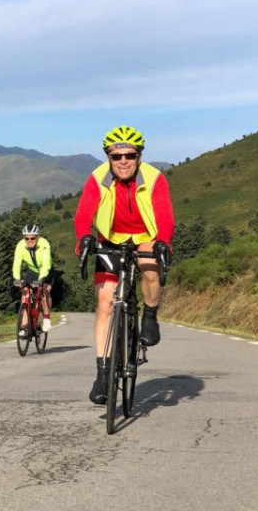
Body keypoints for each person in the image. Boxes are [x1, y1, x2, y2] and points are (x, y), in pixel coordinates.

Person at [74, 126, 174, 405]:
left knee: (150, 265)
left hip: (145, 237)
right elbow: (83, 213)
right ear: (108, 157)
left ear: (139, 156)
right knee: (105, 301)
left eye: (130, 155)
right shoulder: (98, 178)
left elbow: (165, 215)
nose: (123, 161)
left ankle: (150, 315)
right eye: (116, 156)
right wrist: (84, 237)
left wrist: (163, 241)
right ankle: (103, 374)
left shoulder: (154, 178)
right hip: (110, 239)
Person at [12, 224, 54, 335]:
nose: (29, 240)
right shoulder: (20, 246)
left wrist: (40, 280)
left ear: (37, 237)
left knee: (44, 293)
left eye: (32, 238)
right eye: (27, 238)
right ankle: (24, 325)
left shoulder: (44, 243)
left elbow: (46, 265)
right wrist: (17, 279)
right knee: (25, 292)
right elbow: (16, 263)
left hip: (46, 271)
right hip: (33, 271)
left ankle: (46, 318)